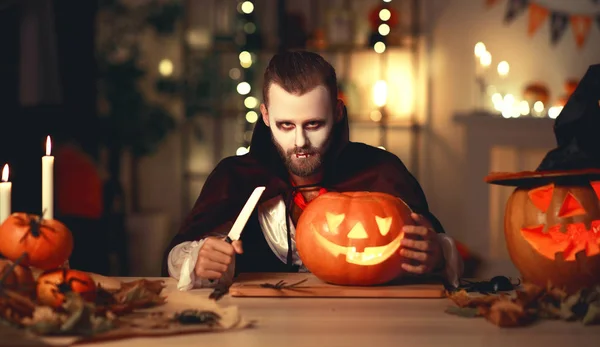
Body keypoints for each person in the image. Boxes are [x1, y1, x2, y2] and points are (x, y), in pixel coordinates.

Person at [162, 51, 464, 291]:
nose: (300, 142)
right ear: (266, 116)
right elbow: (176, 256)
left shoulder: (381, 170)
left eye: (314, 124)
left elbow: (442, 252)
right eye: (286, 125)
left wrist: (438, 252)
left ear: (337, 112)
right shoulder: (236, 177)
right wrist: (198, 259)